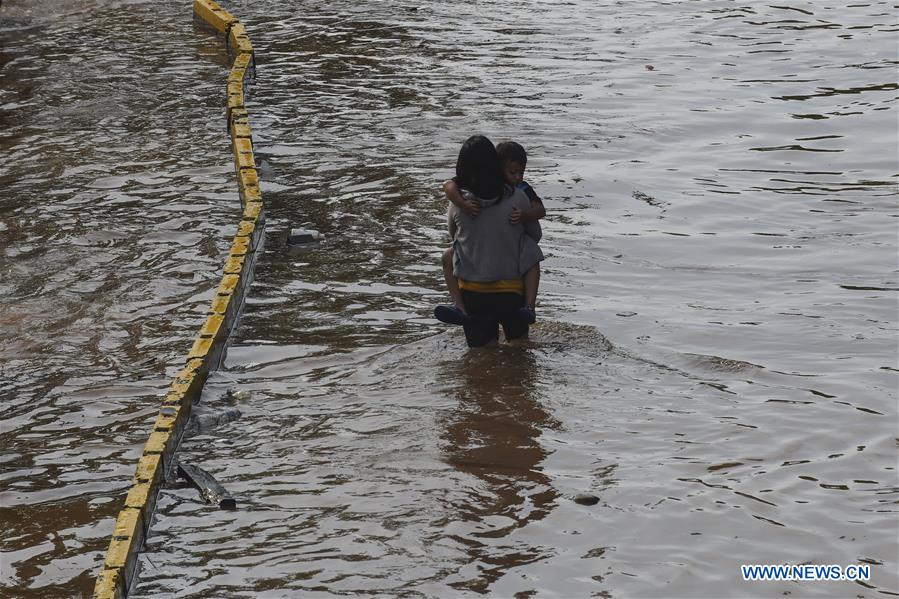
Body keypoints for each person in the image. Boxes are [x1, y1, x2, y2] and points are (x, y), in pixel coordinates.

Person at [434, 135, 544, 347]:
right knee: (520, 355)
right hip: (512, 292)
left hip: (473, 293)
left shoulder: (458, 202)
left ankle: (459, 308)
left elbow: (453, 236)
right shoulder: (519, 198)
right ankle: (530, 307)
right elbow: (535, 236)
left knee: (480, 360)